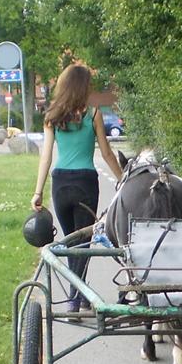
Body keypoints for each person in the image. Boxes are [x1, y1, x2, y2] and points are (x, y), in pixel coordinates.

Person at [31, 62, 125, 311]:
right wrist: (122, 180)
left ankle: (80, 297)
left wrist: (38, 192)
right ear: (82, 88)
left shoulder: (52, 116)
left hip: (60, 184)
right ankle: (75, 299)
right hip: (85, 183)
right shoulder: (93, 114)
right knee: (83, 244)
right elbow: (106, 154)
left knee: (72, 242)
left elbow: (46, 157)